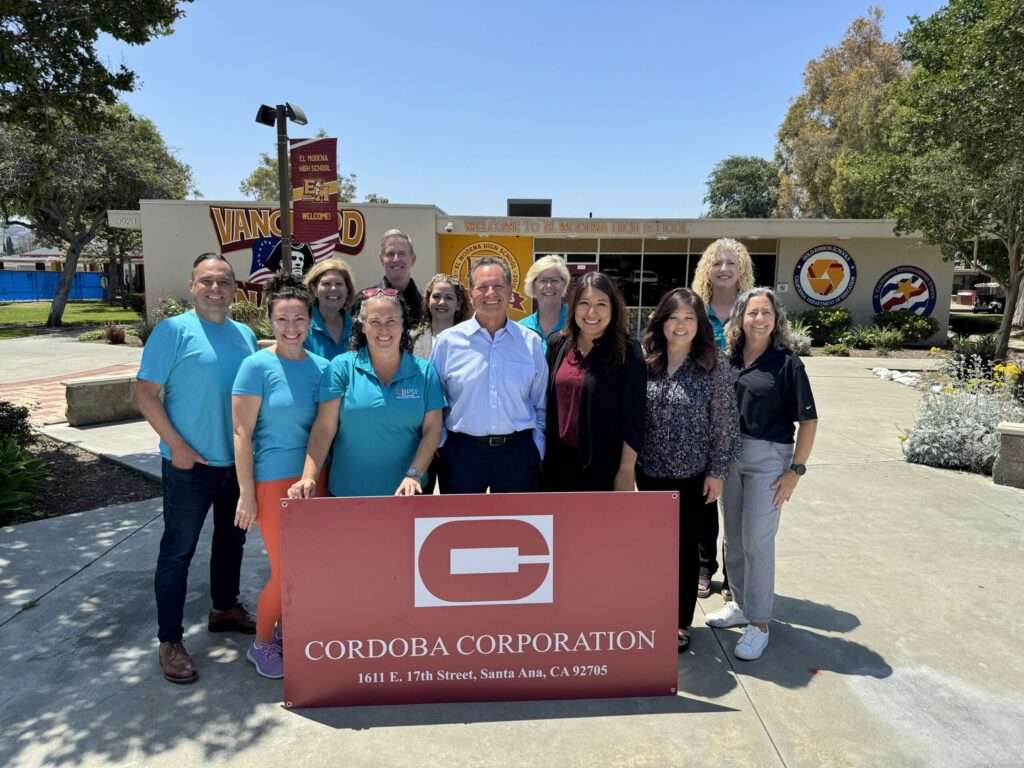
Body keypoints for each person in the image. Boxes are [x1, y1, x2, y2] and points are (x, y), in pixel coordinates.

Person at [135, 252, 258, 684]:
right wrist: (178, 447)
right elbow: (145, 394)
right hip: (189, 466)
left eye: (224, 282)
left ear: (234, 288)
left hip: (235, 465)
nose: (215, 289)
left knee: (231, 544)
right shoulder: (173, 331)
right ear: (192, 285)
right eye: (207, 281)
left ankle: (224, 608)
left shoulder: (244, 334)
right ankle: (169, 640)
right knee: (177, 553)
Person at [706, 288, 818, 661]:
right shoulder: (729, 359)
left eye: (766, 313)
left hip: (769, 458)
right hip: (730, 456)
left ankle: (760, 623)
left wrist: (795, 471)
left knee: (757, 540)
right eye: (752, 312)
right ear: (740, 318)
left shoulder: (787, 364)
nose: (759, 319)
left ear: (776, 319)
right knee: (734, 538)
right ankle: (739, 605)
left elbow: (809, 421)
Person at [231, 275, 329, 679]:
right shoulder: (255, 366)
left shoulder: (322, 367)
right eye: (283, 318)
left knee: (310, 567)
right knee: (286, 568)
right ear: (270, 320)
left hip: (314, 480)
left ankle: (292, 631)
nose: (292, 327)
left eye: (300, 318)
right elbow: (241, 433)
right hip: (272, 482)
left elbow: (325, 430)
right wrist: (246, 493)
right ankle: (262, 642)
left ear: (310, 321)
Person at [636, 288, 740, 653]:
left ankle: (678, 622)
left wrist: (718, 471)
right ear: (661, 322)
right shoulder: (646, 361)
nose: (680, 326)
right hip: (648, 474)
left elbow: (725, 423)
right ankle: (649, 611)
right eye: (673, 318)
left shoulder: (714, 364)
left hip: (692, 475)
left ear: (699, 325)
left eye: (688, 319)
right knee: (652, 550)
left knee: (681, 552)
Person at [289, 288, 445, 499]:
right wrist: (309, 476)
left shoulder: (425, 372)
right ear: (362, 326)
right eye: (375, 321)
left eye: (391, 320)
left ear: (403, 324)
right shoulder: (341, 367)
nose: (384, 329)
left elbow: (432, 430)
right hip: (348, 495)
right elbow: (324, 428)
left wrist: (414, 475)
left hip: (408, 495)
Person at [431, 256, 547, 493]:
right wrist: (443, 444)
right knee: (461, 527)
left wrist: (538, 446)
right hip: (462, 454)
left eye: (498, 286)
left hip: (518, 454)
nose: (490, 293)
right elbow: (435, 402)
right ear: (471, 294)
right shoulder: (447, 343)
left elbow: (540, 402)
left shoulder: (531, 342)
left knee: (517, 528)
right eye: (482, 287)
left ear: (510, 292)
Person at [690, 238, 755, 600]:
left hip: (745, 414)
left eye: (731, 263)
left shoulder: (751, 308)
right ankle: (704, 566)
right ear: (707, 269)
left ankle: (735, 573)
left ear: (741, 268)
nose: (724, 269)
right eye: (717, 263)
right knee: (706, 495)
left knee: (738, 499)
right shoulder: (697, 309)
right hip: (704, 415)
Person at [542, 271, 646, 492]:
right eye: (584, 303)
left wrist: (626, 470)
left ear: (613, 309)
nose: (592, 312)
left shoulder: (628, 352)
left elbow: (634, 418)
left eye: (601, 304)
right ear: (573, 307)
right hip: (556, 467)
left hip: (603, 470)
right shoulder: (557, 344)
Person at [353, 229, 423, 326]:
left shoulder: (426, 306)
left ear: (413, 259)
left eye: (402, 253)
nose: (396, 259)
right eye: (390, 254)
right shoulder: (363, 300)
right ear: (381, 260)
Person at [303, 258, 355, 360]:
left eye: (339, 284)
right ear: (314, 289)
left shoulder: (358, 329)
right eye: (326, 284)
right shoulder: (302, 327)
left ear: (347, 290)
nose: (333, 289)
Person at [412, 273, 470, 359]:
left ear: (458, 305)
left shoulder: (469, 340)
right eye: (436, 296)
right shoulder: (412, 339)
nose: (442, 302)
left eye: (449, 298)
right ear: (428, 301)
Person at [519, 255, 571, 348]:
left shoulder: (576, 321)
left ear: (564, 284)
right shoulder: (521, 328)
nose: (549, 286)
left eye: (555, 280)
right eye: (543, 281)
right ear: (533, 285)